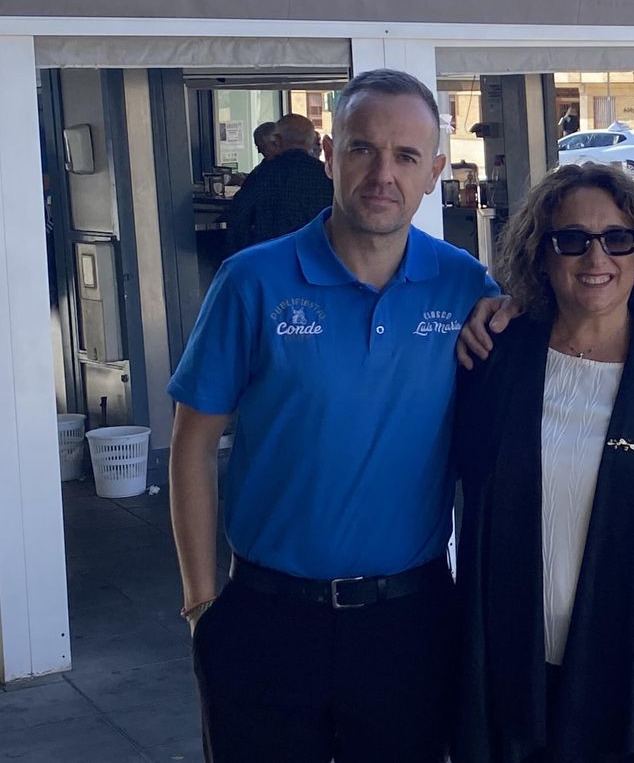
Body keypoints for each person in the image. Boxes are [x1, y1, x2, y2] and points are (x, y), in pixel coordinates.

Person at [167, 70, 498, 763]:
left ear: (435, 171)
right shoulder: (252, 281)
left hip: (409, 624)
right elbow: (192, 444)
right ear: (328, 155)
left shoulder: (465, 285)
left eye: (406, 156)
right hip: (266, 619)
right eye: (362, 149)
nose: (383, 174)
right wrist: (201, 603)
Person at [451, 163, 634, 763]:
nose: (596, 257)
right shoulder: (494, 359)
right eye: (572, 239)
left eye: (617, 238)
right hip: (508, 665)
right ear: (542, 253)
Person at [224, 113, 334, 256]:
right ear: (312, 139)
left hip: (269, 256)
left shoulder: (262, 174)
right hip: (317, 255)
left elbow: (239, 216)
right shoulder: (327, 176)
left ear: (278, 139)